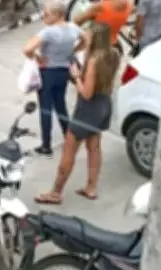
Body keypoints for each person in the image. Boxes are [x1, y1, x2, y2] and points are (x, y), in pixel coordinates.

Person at [36, 22, 120, 204]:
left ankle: (56, 192)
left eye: (88, 38)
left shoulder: (93, 61)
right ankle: (91, 187)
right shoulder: (113, 54)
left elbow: (87, 93)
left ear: (95, 40)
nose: (85, 40)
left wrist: (75, 76)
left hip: (87, 109)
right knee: (94, 146)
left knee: (69, 151)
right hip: (104, 105)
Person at [23, 0, 86, 157]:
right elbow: (86, 40)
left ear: (58, 14)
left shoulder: (48, 32)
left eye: (46, 13)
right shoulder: (73, 28)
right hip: (63, 71)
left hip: (47, 72)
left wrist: (37, 57)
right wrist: (73, 51)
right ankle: (69, 135)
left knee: (45, 109)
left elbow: (27, 49)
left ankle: (46, 145)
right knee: (60, 105)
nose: (43, 16)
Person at [71, 0, 135, 54]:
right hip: (113, 43)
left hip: (96, 44)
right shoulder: (129, 4)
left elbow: (77, 21)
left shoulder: (101, 6)